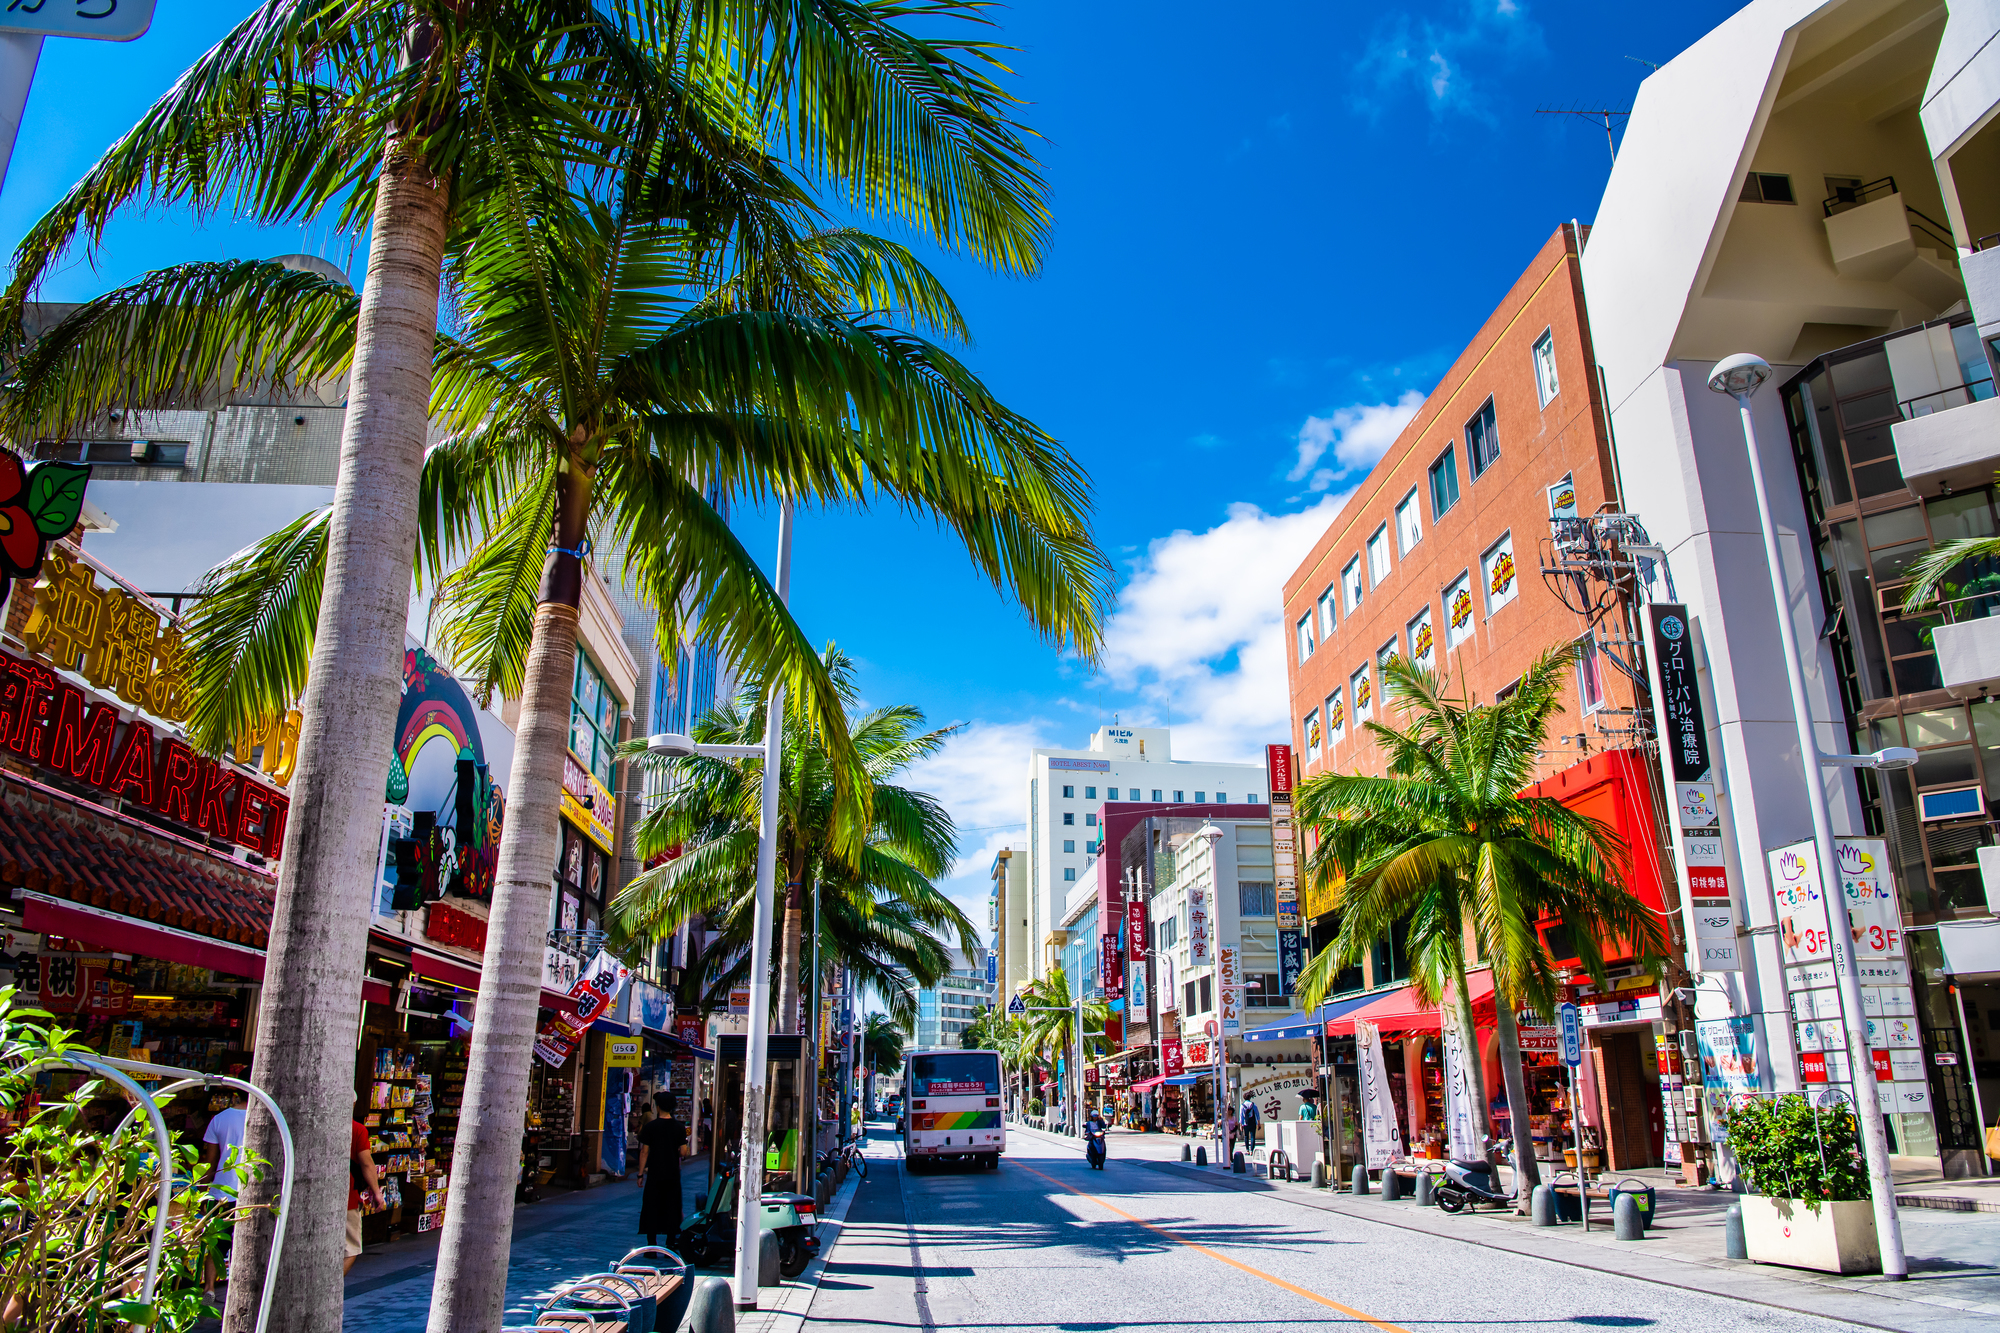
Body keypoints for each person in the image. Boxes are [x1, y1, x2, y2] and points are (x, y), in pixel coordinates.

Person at [636, 1091, 688, 1247]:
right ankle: (670, 1243)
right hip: (672, 1174)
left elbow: (644, 1152)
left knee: (652, 1207)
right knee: (672, 1208)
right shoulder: (679, 1127)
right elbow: (684, 1151)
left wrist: (640, 1174)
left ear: (658, 1107)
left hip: (654, 1174)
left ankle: (651, 1245)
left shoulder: (651, 1127)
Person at [347, 1113, 384, 1276]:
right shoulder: (357, 1129)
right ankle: (327, 1290)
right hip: (348, 1196)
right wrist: (377, 1192)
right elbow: (366, 1163)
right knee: (350, 1249)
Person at [203, 1088, 251, 1199]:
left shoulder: (219, 1119)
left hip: (222, 1191)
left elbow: (210, 1161)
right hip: (250, 1192)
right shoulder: (272, 1117)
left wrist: (201, 1194)